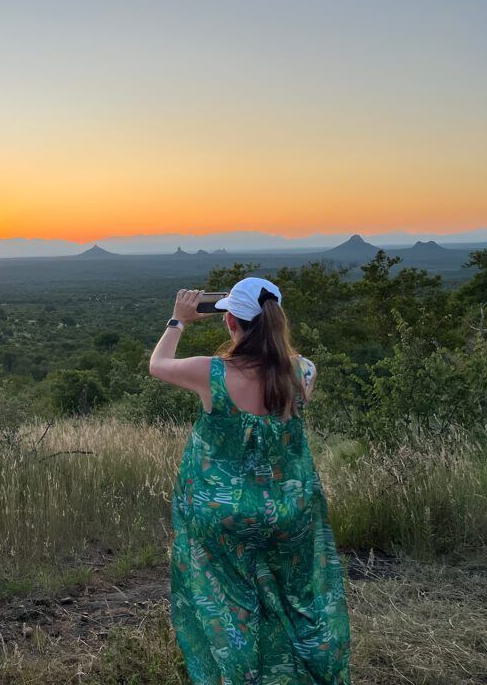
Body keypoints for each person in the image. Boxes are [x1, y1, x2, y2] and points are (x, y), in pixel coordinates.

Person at [149, 277, 351, 684]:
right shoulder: (304, 372)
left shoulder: (211, 372)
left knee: (229, 609)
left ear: (230, 322)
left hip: (223, 517)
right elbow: (285, 380)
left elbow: (157, 366)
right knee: (293, 602)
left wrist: (177, 320)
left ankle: (239, 675)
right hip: (288, 514)